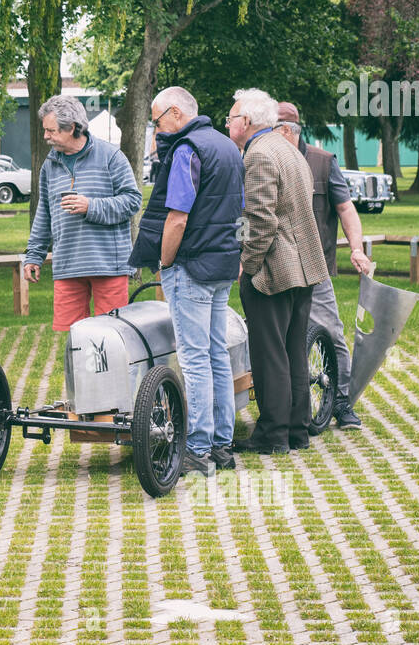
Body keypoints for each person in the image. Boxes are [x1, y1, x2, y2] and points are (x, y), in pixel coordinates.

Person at [129, 87, 244, 477]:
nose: (157, 130)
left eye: (158, 121)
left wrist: (164, 261)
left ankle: (196, 449)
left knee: (195, 360)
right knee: (216, 354)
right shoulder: (229, 147)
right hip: (223, 265)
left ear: (176, 113)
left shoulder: (186, 150)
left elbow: (176, 217)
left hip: (191, 266)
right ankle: (222, 445)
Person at [226, 88, 328, 454]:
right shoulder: (287, 147)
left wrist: (248, 267)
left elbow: (259, 221)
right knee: (292, 351)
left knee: (270, 354)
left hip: (274, 270)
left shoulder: (259, 154)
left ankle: (273, 434)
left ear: (247, 122)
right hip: (303, 267)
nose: (228, 123)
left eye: (231, 117)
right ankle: (297, 431)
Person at [274, 102, 370, 429]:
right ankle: (286, 406)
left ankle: (342, 402)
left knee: (331, 332)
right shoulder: (263, 158)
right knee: (280, 336)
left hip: (315, 268)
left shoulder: (323, 162)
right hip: (276, 269)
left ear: (288, 130)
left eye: (273, 130)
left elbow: (346, 209)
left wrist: (356, 249)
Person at [23, 95, 142, 331]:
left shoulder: (111, 157)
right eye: (45, 130)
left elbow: (132, 201)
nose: (46, 137)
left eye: (52, 131)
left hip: (109, 265)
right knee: (74, 340)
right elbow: (44, 212)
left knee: (113, 337)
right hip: (67, 265)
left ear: (74, 128)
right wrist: (34, 255)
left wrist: (91, 206)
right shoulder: (50, 165)